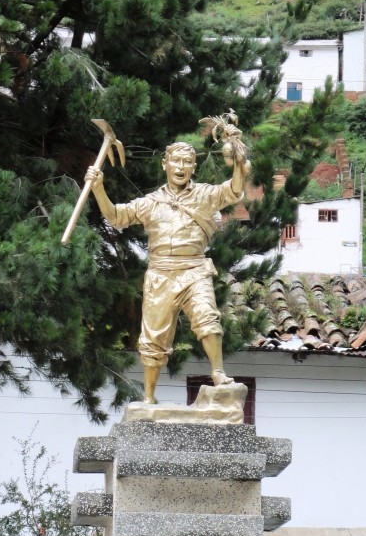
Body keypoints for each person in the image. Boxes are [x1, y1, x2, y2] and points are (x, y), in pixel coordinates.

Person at [85, 138, 251, 404]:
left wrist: (239, 165)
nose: (181, 167)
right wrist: (98, 189)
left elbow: (233, 190)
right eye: (176, 161)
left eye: (187, 162)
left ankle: (218, 372)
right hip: (160, 275)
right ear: (165, 164)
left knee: (207, 317)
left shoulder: (205, 195)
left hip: (194, 270)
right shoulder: (150, 202)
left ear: (194, 167)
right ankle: (149, 397)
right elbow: (116, 216)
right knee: (154, 338)